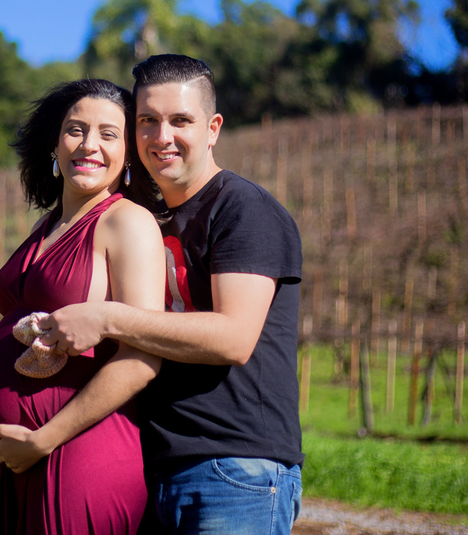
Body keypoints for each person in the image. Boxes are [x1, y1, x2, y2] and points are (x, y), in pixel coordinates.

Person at [40, 54, 304, 535]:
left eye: (180, 120)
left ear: (212, 128)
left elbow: (233, 338)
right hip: (154, 464)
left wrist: (106, 317)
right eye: (147, 121)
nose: (162, 136)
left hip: (233, 469)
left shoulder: (244, 210)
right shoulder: (146, 218)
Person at [0, 78, 165, 535]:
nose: (89, 144)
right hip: (26, 455)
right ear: (55, 143)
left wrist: (42, 439)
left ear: (129, 154)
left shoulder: (127, 222)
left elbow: (142, 359)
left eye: (108, 134)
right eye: (76, 129)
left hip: (79, 454)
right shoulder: (49, 224)